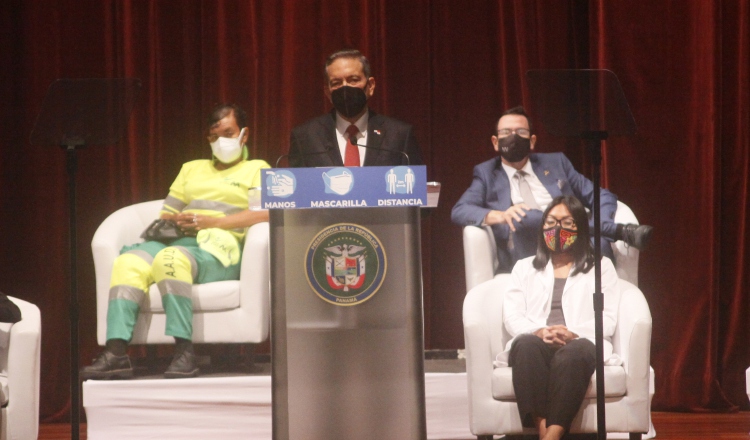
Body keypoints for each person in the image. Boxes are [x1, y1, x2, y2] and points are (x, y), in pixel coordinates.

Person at [81, 103, 270, 380]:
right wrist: (177, 221)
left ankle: (184, 352)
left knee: (171, 260)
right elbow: (168, 211)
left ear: (244, 134)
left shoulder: (256, 169)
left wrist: (211, 222)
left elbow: (264, 212)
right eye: (214, 137)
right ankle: (116, 352)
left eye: (228, 134)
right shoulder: (191, 169)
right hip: (178, 238)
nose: (221, 142)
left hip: (219, 247)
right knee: (128, 262)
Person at [451, 106, 652, 273]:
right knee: (524, 216)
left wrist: (602, 224)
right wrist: (502, 215)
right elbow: (460, 210)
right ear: (495, 142)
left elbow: (602, 195)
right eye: (506, 132)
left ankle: (601, 231)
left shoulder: (556, 162)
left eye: (521, 132)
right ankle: (619, 231)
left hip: (576, 241)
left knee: (597, 241)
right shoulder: (486, 173)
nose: (513, 137)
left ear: (532, 141)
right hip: (530, 247)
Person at [500, 195, 620, 440]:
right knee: (525, 345)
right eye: (551, 222)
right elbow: (512, 316)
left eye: (567, 223)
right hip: (537, 341)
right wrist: (541, 331)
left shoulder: (601, 267)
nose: (557, 229)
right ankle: (546, 432)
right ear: (542, 226)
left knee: (574, 353)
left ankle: (551, 436)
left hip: (579, 343)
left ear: (581, 229)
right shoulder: (524, 268)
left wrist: (572, 332)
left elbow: (607, 319)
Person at [289, 49, 423, 167]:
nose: (345, 88)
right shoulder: (305, 137)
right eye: (336, 83)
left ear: (370, 86)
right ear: (327, 92)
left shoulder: (399, 135)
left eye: (353, 80)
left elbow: (415, 190)